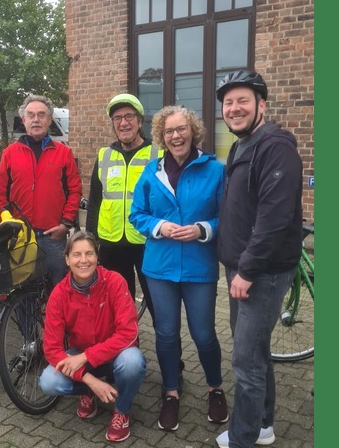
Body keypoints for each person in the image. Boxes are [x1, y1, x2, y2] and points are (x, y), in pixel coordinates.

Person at [214, 70, 303, 448]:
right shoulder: (242, 145)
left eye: (243, 101)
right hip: (243, 268)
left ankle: (243, 438)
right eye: (228, 103)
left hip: (261, 273)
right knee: (255, 351)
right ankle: (263, 424)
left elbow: (275, 217)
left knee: (245, 361)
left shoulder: (275, 147)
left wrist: (247, 270)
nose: (234, 109)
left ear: (261, 105)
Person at [129, 105, 228, 432]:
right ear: (161, 136)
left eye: (181, 129)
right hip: (160, 268)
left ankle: (215, 388)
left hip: (200, 267)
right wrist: (159, 226)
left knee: (204, 334)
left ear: (192, 131)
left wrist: (203, 229)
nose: (175, 136)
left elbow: (227, 217)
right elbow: (137, 214)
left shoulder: (215, 170)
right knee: (166, 334)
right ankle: (171, 392)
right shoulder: (151, 172)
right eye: (169, 131)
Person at [84, 94, 185, 386]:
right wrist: (90, 242)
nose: (123, 123)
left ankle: (174, 370)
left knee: (160, 310)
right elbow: (95, 201)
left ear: (140, 121)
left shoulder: (158, 154)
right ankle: (124, 365)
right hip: (111, 246)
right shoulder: (105, 156)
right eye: (118, 118)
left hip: (150, 245)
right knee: (116, 311)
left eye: (129, 117)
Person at [39, 231, 146, 443]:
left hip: (114, 354)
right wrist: (89, 379)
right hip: (81, 357)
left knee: (133, 362)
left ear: (97, 257)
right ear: (67, 259)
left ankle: (122, 410)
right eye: (76, 254)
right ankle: (88, 391)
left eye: (89, 253)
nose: (83, 260)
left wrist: (85, 357)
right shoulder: (59, 294)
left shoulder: (114, 281)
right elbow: (51, 349)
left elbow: (128, 333)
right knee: (48, 381)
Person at [0, 94, 82, 285]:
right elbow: (1, 198)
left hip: (53, 237)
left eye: (41, 115)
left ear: (49, 119)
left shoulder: (64, 153)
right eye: (31, 115)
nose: (36, 120)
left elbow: (75, 191)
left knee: (56, 290)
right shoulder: (9, 154)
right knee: (22, 292)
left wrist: (65, 224)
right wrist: (8, 225)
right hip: (20, 238)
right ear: (23, 120)